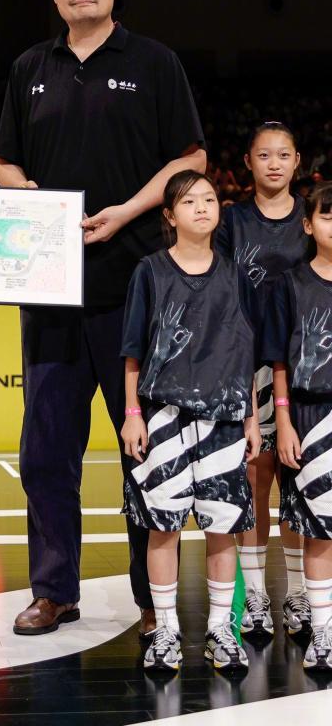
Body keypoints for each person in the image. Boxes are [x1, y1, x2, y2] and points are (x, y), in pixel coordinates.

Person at [0, 0, 206, 637]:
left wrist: (125, 213)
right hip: (51, 290)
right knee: (47, 450)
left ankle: (152, 596)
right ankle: (53, 590)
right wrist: (32, 201)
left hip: (136, 288)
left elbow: (191, 158)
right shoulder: (29, 67)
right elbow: (4, 163)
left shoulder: (154, 62)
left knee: (140, 445)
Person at [121, 170, 260, 674]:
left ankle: (222, 629)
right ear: (169, 215)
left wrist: (250, 418)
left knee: (222, 529)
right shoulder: (150, 271)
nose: (202, 207)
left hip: (224, 419)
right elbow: (132, 352)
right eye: (189, 201)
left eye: (209, 199)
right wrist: (133, 414)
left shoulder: (236, 275)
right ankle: (165, 630)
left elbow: (245, 355)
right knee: (163, 528)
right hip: (163, 417)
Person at [216, 122, 310, 639]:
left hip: (304, 368)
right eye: (264, 155)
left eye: (284, 155)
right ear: (248, 163)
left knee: (298, 482)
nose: (274, 163)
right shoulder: (231, 221)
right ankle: (254, 595)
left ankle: (298, 593)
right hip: (247, 366)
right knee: (256, 479)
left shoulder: (313, 217)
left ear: (298, 162)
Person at [264, 182, 332, 671]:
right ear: (308, 225)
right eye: (327, 216)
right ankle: (323, 633)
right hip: (309, 416)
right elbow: (280, 364)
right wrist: (284, 420)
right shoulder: (290, 284)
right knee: (319, 532)